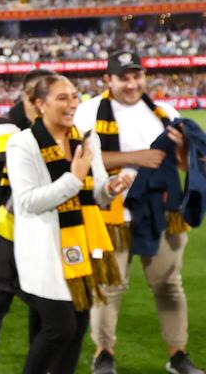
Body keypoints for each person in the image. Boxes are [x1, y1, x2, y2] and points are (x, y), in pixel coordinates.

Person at [72, 51, 201, 374]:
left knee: (170, 285)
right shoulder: (87, 112)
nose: (131, 84)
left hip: (161, 213)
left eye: (136, 76)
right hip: (108, 214)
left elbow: (182, 164)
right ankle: (104, 353)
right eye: (123, 77)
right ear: (108, 79)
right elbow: (81, 159)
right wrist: (139, 157)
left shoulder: (164, 112)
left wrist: (185, 155)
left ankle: (178, 355)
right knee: (108, 288)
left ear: (144, 76)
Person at [5, 73, 131, 374]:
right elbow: (27, 202)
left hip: (82, 248)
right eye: (62, 97)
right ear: (40, 104)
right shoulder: (22, 144)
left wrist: (110, 189)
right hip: (45, 253)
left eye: (74, 96)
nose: (72, 103)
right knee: (59, 328)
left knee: (77, 327)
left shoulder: (87, 139)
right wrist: (73, 179)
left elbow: (98, 192)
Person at [0, 69, 54, 374]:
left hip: (36, 216)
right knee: (1, 291)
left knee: (40, 294)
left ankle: (40, 361)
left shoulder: (41, 124)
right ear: (29, 95)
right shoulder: (2, 125)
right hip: (2, 218)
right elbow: (20, 168)